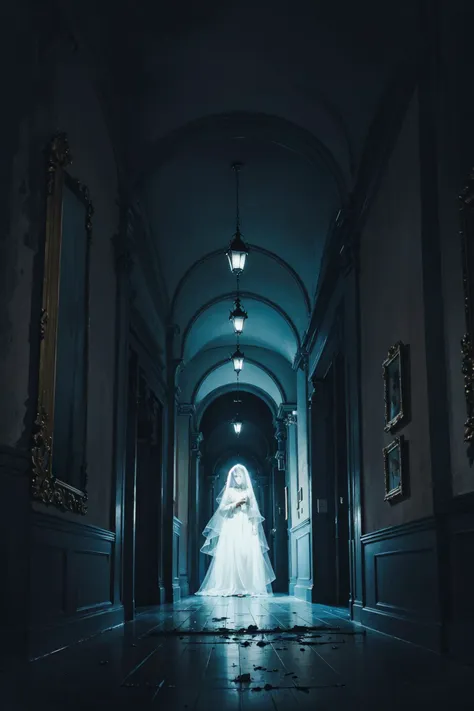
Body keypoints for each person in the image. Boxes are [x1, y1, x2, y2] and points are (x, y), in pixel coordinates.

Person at [195, 463, 276, 597]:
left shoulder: (249, 492)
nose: (238, 478)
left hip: (245, 524)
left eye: (240, 475)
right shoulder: (229, 491)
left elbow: (253, 512)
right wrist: (235, 504)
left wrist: (254, 527)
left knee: (246, 554)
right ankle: (233, 585)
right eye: (235, 476)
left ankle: (246, 585)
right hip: (232, 524)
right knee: (232, 553)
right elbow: (221, 510)